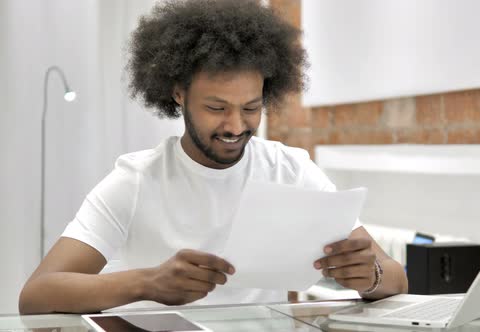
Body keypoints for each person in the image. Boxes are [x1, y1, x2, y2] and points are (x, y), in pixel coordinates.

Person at [19, 0, 408, 314]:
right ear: (178, 93)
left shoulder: (291, 169)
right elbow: (37, 295)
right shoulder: (136, 180)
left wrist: (369, 277)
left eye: (251, 107)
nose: (236, 125)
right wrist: (147, 283)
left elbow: (395, 278)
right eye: (217, 108)